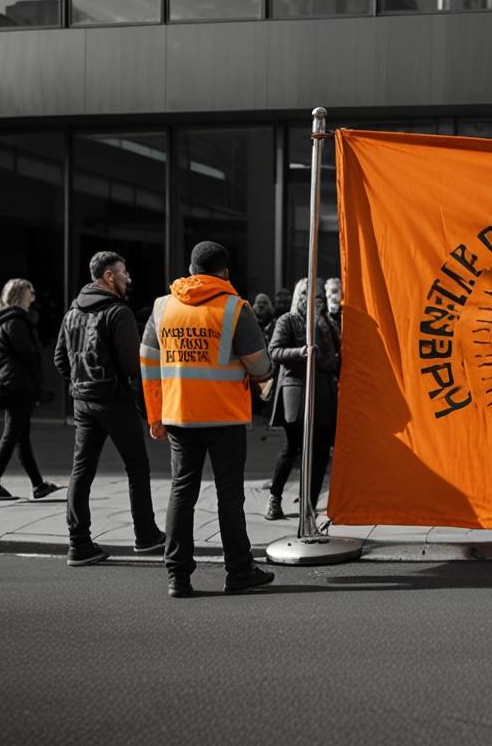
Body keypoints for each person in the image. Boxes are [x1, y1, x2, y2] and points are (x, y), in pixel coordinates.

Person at [140, 241, 276, 598]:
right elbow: (260, 365)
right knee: (229, 496)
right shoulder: (235, 308)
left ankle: (178, 576)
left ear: (190, 270)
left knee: (181, 492)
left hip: (180, 416)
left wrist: (155, 415)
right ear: (225, 272)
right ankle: (238, 570)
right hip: (224, 418)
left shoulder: (162, 307)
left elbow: (148, 364)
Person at [54, 252, 166, 567]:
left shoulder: (72, 311)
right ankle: (146, 535)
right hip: (115, 401)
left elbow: (60, 360)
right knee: (136, 467)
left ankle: (78, 544)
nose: (128, 277)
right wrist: (148, 411)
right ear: (108, 276)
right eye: (123, 272)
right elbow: (133, 368)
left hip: (83, 402)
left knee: (82, 470)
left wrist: (80, 386)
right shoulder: (118, 312)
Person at [263, 278, 340, 522]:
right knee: (292, 447)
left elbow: (334, 358)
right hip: (296, 391)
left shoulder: (326, 322)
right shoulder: (288, 320)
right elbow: (274, 351)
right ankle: (275, 498)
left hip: (324, 393)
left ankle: (310, 502)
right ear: (302, 296)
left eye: (320, 296)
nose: (318, 300)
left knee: (320, 451)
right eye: (313, 296)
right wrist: (301, 352)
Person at [0, 279, 62, 502]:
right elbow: (30, 357)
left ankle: (38, 485)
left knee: (21, 436)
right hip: (18, 386)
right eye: (30, 292)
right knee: (12, 434)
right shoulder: (16, 322)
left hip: (5, 383)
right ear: (18, 295)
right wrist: (39, 388)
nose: (33, 297)